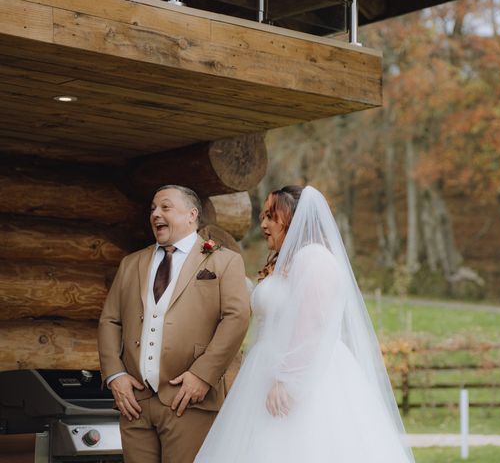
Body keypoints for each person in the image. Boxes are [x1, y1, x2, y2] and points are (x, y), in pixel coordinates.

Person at [195, 185, 415, 463]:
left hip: (305, 375)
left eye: (272, 216)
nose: (263, 224)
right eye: (263, 216)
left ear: (294, 218)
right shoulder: (287, 262)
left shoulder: (314, 258)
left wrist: (287, 381)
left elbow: (312, 324)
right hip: (266, 371)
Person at [98, 185, 251, 462]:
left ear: (191, 214)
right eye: (153, 209)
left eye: (165, 207)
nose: (156, 214)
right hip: (135, 403)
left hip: (190, 400)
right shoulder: (131, 263)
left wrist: (203, 375)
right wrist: (115, 376)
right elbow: (110, 320)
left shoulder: (224, 261)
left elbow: (237, 318)